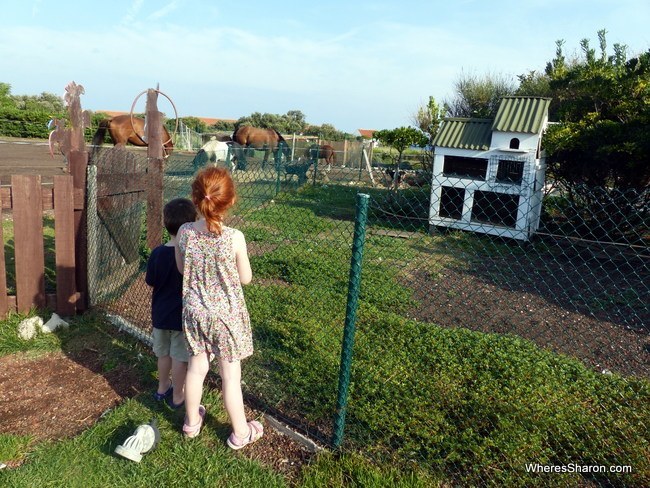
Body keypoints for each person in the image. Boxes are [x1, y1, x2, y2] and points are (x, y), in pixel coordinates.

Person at [175, 167, 263, 448]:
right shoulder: (234, 237)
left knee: (196, 367)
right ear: (231, 200)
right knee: (230, 377)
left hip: (194, 313)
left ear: (195, 198)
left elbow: (181, 268)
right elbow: (246, 279)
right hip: (225, 318)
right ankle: (241, 432)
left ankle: (191, 423)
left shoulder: (185, 232)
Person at [145, 198, 197, 409]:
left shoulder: (157, 253)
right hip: (180, 318)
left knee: (163, 354)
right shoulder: (190, 255)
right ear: (192, 223)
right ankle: (177, 395)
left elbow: (150, 281)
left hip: (160, 315)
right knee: (179, 357)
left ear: (166, 223)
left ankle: (161, 387)